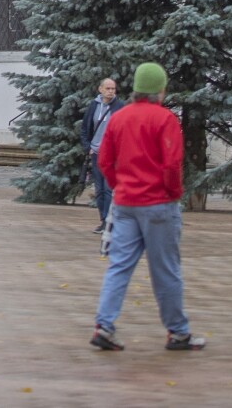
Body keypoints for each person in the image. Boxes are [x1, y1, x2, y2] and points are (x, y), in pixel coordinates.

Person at [90, 62, 204, 353]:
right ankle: (178, 333)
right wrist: (173, 194)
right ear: (160, 91)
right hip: (158, 205)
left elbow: (104, 161)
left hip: (126, 203)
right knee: (165, 270)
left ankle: (104, 326)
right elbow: (171, 165)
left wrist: (119, 186)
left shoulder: (119, 117)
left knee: (119, 266)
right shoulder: (165, 120)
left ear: (136, 90)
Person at [80, 77, 125, 232]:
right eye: (108, 88)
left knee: (108, 188)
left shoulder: (120, 107)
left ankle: (109, 222)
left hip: (112, 156)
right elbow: (85, 129)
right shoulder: (93, 106)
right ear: (100, 89)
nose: (111, 91)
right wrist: (88, 148)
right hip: (96, 153)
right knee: (99, 190)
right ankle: (103, 219)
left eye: (113, 89)